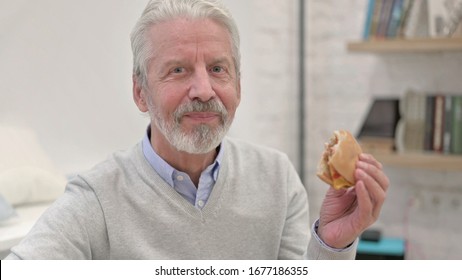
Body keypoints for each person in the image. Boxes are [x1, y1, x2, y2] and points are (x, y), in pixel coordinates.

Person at [5, 0, 388, 260]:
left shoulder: (276, 177)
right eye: (178, 70)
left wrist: (332, 244)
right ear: (141, 92)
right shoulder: (97, 199)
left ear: (238, 84)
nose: (204, 90)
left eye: (218, 69)